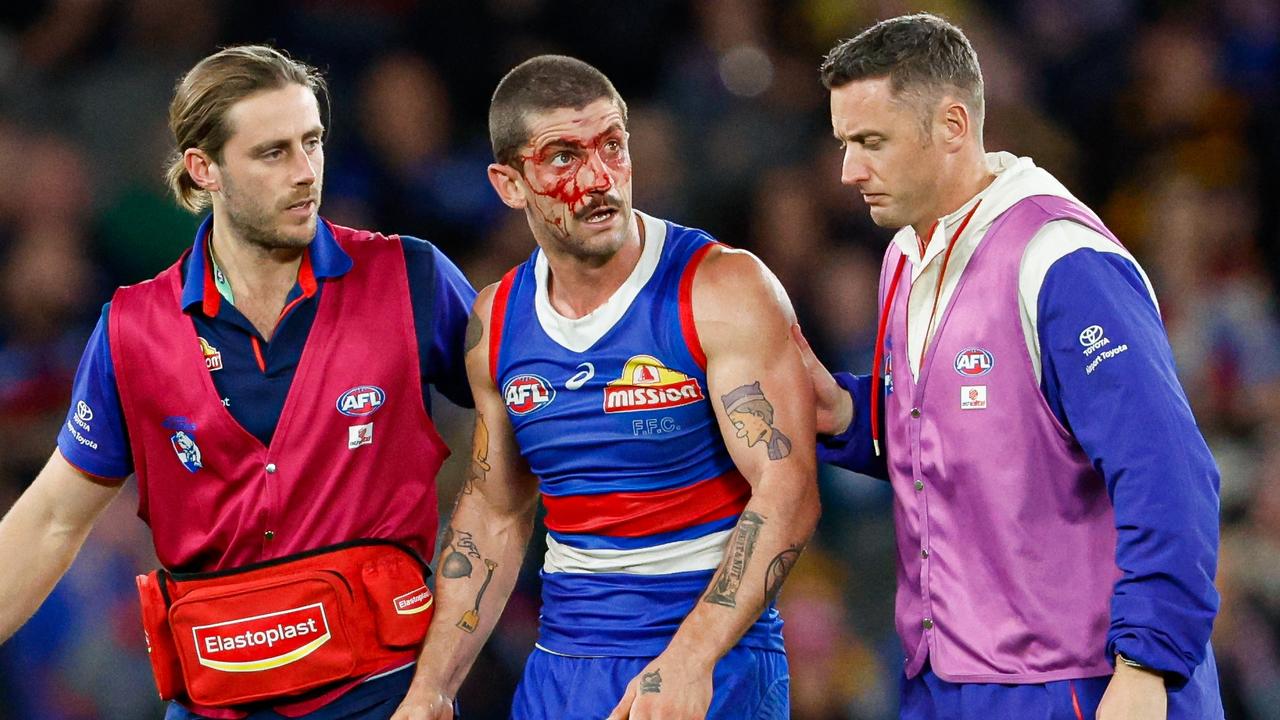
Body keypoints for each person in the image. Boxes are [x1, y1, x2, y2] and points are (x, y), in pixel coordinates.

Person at [0, 45, 476, 719]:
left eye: (312, 142)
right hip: (215, 701)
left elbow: (526, 425)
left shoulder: (410, 279)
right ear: (205, 169)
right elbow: (51, 520)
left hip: (387, 699)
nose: (306, 172)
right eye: (273, 153)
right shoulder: (133, 330)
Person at [793, 13, 1223, 720]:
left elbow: (1167, 469)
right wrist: (847, 415)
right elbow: (971, 430)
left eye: (871, 142)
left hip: (1076, 684)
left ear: (954, 126)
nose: (848, 171)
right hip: (945, 682)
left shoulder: (1063, 262)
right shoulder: (906, 253)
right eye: (844, 143)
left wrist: (1148, 661)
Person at [389, 55, 819, 720]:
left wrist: (689, 660)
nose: (599, 179)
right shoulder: (496, 323)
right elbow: (496, 513)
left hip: (716, 661)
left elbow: (787, 491)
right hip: (564, 671)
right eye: (563, 157)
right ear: (509, 183)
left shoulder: (721, 288)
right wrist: (432, 688)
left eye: (612, 146)